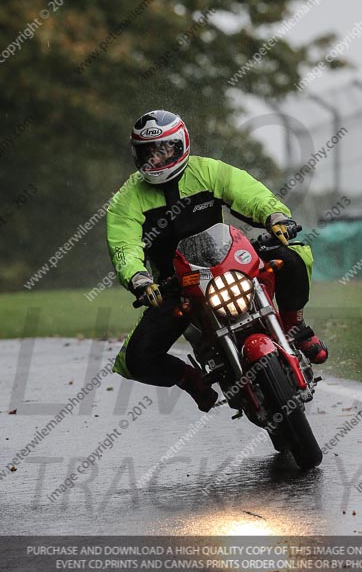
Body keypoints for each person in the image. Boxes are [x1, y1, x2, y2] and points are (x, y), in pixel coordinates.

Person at [107, 110, 328, 412]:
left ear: (181, 144)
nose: (155, 160)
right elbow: (124, 245)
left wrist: (275, 216)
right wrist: (138, 278)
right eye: (148, 153)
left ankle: (295, 329)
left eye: (164, 150)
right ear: (136, 154)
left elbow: (249, 193)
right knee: (136, 359)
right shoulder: (126, 200)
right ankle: (191, 379)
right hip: (177, 286)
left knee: (291, 255)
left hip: (228, 262)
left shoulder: (209, 170)